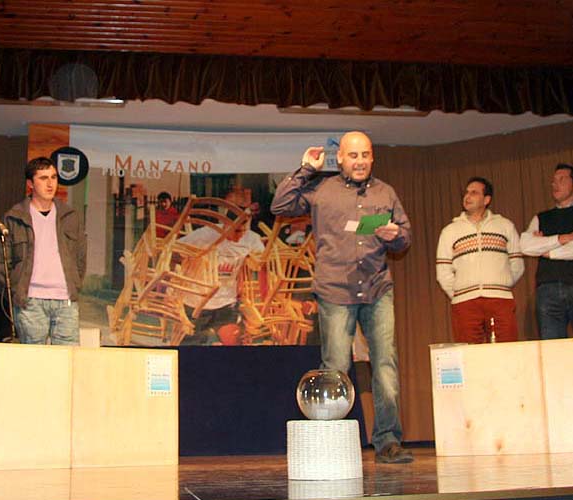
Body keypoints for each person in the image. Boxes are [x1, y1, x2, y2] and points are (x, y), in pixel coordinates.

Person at [271, 131, 414, 464]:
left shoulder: (385, 192)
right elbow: (279, 205)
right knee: (336, 367)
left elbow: (404, 237)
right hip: (335, 290)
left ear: (372, 157)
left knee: (385, 365)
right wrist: (306, 169)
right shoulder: (321, 189)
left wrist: (395, 235)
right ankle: (331, 442)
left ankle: (388, 442)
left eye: (365, 155)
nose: (360, 161)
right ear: (340, 159)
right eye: (353, 155)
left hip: (377, 288)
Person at [0, 157, 87, 345]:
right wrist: (17, 291)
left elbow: (80, 258)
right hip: (30, 301)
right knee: (33, 358)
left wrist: (74, 284)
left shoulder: (70, 216)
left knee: (68, 357)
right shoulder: (14, 217)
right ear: (30, 184)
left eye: (53, 177)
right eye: (43, 178)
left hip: (65, 300)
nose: (50, 183)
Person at [436, 177, 524, 343]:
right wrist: (458, 293)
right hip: (465, 303)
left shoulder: (505, 226)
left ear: (486, 199)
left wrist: (501, 284)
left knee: (506, 350)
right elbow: (443, 271)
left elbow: (517, 264)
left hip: (500, 300)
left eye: (474, 193)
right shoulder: (450, 231)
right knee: (469, 353)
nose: (467, 196)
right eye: (466, 193)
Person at [521, 163, 573, 339]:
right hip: (548, 287)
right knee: (552, 345)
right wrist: (561, 239)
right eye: (553, 181)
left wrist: (548, 251)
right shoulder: (541, 217)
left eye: (561, 179)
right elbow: (526, 245)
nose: (555, 184)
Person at [176, 220, 264, 345]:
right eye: (236, 231)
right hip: (196, 303)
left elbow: (260, 262)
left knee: (235, 342)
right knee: (190, 345)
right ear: (225, 225)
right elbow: (176, 249)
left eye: (243, 231)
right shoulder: (206, 234)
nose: (240, 236)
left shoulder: (251, 238)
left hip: (226, 303)